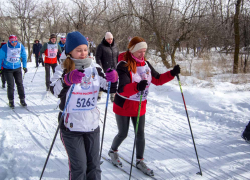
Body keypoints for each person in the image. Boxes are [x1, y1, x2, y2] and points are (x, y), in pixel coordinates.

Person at [50, 31, 118, 180]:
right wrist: (67, 80)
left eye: (85, 50)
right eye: (78, 50)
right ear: (70, 52)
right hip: (71, 126)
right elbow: (54, 91)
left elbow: (107, 87)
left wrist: (113, 80)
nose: (83, 53)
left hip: (92, 124)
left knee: (94, 166)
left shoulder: (94, 67)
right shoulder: (63, 68)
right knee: (79, 168)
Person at [108, 36, 181, 176]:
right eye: (139, 51)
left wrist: (172, 73)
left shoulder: (145, 63)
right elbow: (122, 88)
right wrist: (137, 86)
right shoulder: (123, 65)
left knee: (140, 134)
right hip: (124, 105)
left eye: (144, 51)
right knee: (123, 133)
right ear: (132, 50)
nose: (142, 54)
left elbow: (158, 79)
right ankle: (113, 151)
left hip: (139, 105)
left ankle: (139, 160)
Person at [0, 35, 28, 108]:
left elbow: (24, 56)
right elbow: (0, 58)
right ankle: (11, 101)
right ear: (9, 41)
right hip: (7, 69)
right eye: (12, 41)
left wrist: (24, 66)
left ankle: (22, 99)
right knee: (11, 85)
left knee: (20, 84)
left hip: (17, 68)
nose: (14, 43)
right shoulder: (5, 47)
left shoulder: (20, 46)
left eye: (15, 41)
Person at [96, 32, 119, 102]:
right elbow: (98, 57)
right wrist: (100, 67)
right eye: (108, 39)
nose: (110, 40)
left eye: (111, 39)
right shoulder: (101, 46)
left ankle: (113, 97)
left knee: (114, 83)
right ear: (105, 39)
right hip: (105, 67)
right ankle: (99, 94)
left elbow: (118, 56)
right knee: (103, 82)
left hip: (114, 68)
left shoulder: (115, 46)